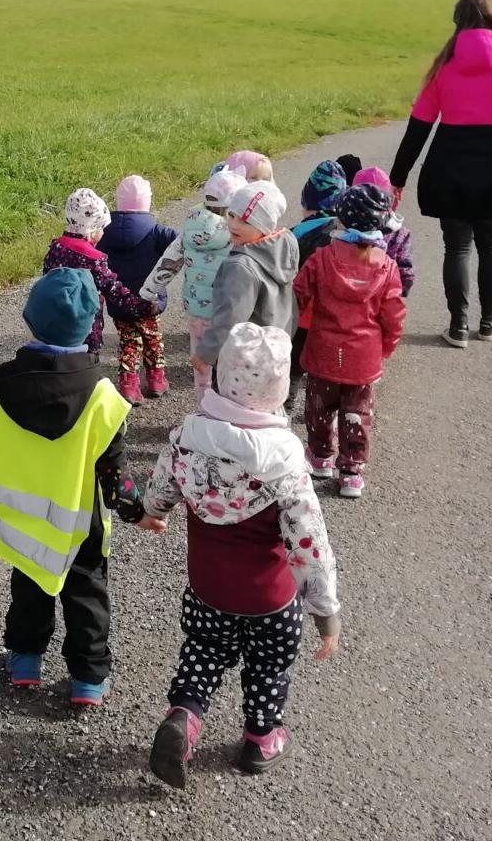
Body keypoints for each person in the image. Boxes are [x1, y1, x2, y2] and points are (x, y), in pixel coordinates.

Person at [0, 268, 166, 707]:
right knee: (87, 597)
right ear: (89, 328)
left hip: (24, 520)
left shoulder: (0, 383)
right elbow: (114, 476)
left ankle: (25, 660)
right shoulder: (103, 396)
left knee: (29, 584)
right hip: (79, 524)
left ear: (30, 321)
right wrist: (139, 512)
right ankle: (87, 680)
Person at [142, 323, 340, 783]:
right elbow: (310, 546)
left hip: (208, 587)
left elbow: (158, 494)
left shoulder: (186, 441)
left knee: (204, 651)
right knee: (268, 666)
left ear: (219, 376)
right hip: (271, 600)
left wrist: (152, 512)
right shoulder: (286, 465)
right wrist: (325, 613)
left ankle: (184, 717)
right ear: (280, 389)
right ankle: (260, 738)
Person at [389, 0, 492, 347]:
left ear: (458, 24)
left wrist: (398, 178)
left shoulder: (443, 67)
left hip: (448, 166)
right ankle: (489, 322)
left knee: (456, 247)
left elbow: (418, 128)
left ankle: (457, 327)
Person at [293, 185, 406, 498]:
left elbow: (298, 295)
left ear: (341, 219)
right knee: (357, 413)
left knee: (318, 408)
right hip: (363, 357)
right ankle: (351, 471)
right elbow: (394, 315)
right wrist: (387, 346)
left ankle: (319, 457)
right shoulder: (387, 267)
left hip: (323, 351)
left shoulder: (320, 260)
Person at [140, 165, 249, 396]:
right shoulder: (238, 234)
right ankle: (227, 412)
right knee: (231, 366)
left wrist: (149, 290)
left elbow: (169, 261)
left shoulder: (190, 227)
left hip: (197, 312)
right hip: (227, 312)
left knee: (201, 366)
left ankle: (203, 409)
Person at [192, 181, 298, 383]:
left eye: (245, 221)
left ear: (264, 226)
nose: (233, 224)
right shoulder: (283, 246)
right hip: (275, 353)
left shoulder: (240, 267)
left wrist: (206, 353)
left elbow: (230, 318)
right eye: (231, 215)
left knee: (231, 409)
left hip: (241, 360)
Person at [43, 188, 156, 357]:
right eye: (102, 228)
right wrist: (142, 306)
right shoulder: (93, 258)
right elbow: (113, 290)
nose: (103, 232)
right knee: (86, 364)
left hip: (55, 321)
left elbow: (47, 280)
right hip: (84, 327)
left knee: (58, 359)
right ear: (92, 230)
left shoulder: (56, 248)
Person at [100, 176, 178, 404]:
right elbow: (182, 243)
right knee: (153, 339)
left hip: (119, 301)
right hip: (149, 301)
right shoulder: (157, 232)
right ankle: (156, 380)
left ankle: (129, 385)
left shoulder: (105, 233)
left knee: (129, 341)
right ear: (147, 202)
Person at [287, 160, 349, 405]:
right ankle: (323, 405)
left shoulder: (296, 233)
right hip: (333, 314)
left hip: (301, 311)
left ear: (307, 201)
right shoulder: (347, 233)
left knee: (295, 356)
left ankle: (288, 397)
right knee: (327, 360)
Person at [353, 166, 415, 296]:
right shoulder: (399, 233)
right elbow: (406, 272)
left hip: (350, 293)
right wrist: (399, 291)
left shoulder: (346, 227)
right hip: (385, 297)